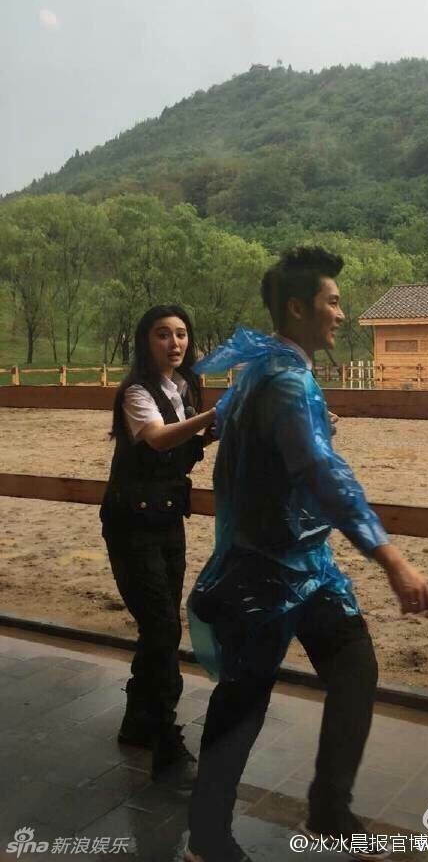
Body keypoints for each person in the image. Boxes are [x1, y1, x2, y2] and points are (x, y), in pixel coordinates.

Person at [185, 248, 428, 862]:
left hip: (308, 567)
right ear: (298, 308)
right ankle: (208, 840)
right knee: (242, 704)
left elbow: (256, 444)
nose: (342, 315)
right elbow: (324, 476)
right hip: (261, 570)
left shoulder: (261, 370)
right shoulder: (286, 380)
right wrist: (392, 559)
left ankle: (329, 811)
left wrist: (308, 432)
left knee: (354, 669)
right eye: (333, 302)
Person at [100, 304, 216, 788]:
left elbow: (187, 443)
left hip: (167, 519)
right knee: (164, 626)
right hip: (131, 524)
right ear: (145, 341)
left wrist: (219, 429)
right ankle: (166, 739)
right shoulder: (136, 393)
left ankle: (137, 721)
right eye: (163, 334)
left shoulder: (183, 388)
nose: (175, 343)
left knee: (160, 625)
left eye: (181, 334)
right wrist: (214, 416)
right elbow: (160, 440)